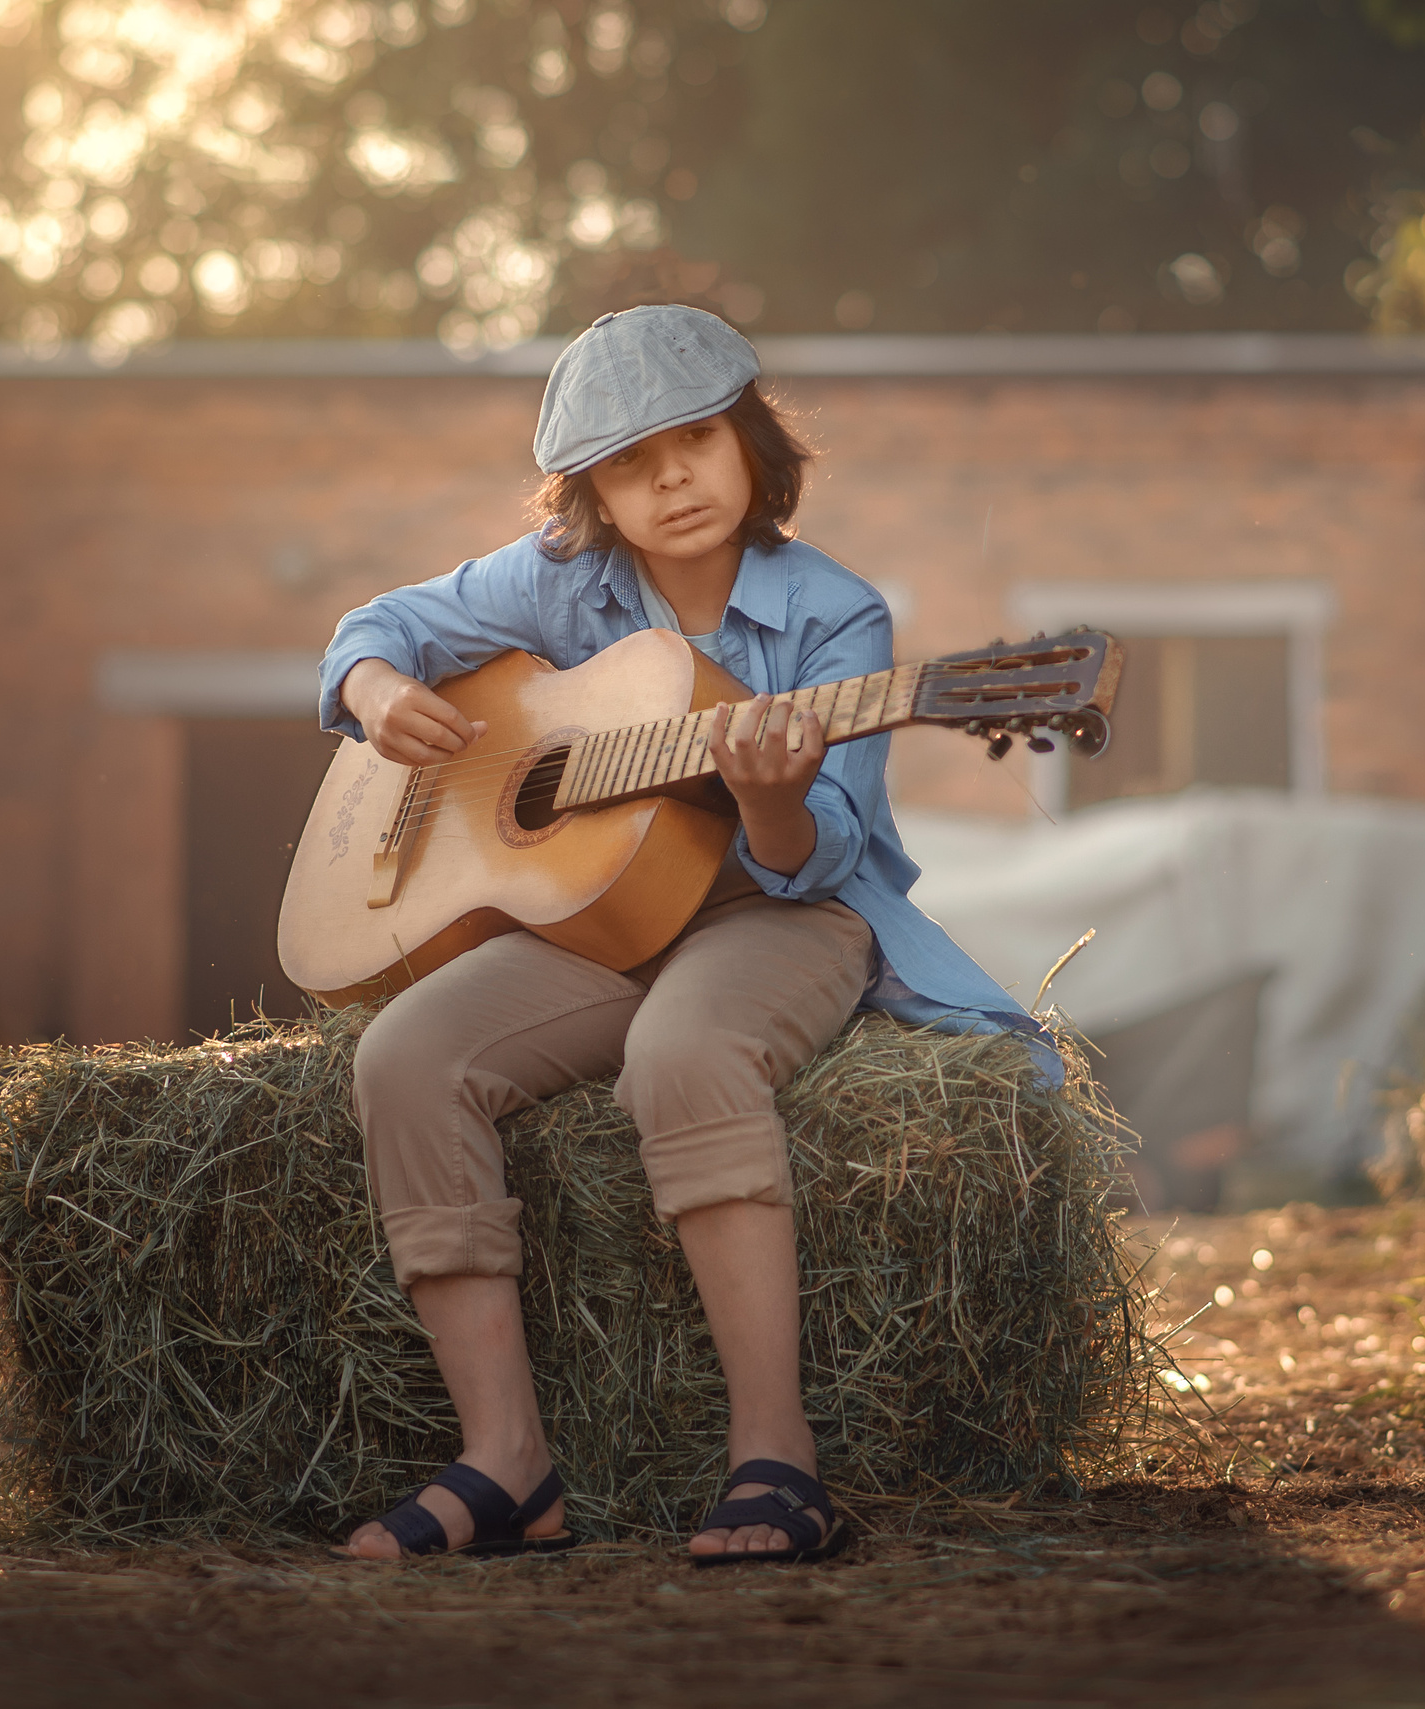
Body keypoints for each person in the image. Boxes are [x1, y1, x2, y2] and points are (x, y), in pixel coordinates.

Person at [318, 304, 1052, 1566]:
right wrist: (376, 690)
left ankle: (777, 1456)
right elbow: (380, 625)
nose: (670, 479)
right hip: (602, 918)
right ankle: (507, 1463)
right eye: (627, 462)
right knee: (405, 1056)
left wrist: (769, 793)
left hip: (778, 910)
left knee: (684, 1048)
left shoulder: (838, 615)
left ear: (751, 443)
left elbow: (815, 853)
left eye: (696, 440)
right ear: (591, 495)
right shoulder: (556, 578)